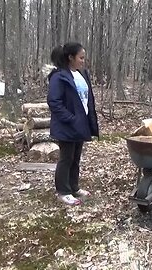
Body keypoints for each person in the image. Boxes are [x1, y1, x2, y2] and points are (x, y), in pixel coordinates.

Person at [47, 42, 99, 206]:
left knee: (76, 157)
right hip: (67, 125)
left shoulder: (82, 74)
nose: (83, 61)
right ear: (71, 58)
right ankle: (63, 191)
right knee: (66, 158)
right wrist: (70, 118)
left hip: (80, 124)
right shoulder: (59, 76)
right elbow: (54, 102)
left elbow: (86, 99)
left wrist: (87, 120)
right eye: (81, 57)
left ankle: (74, 187)